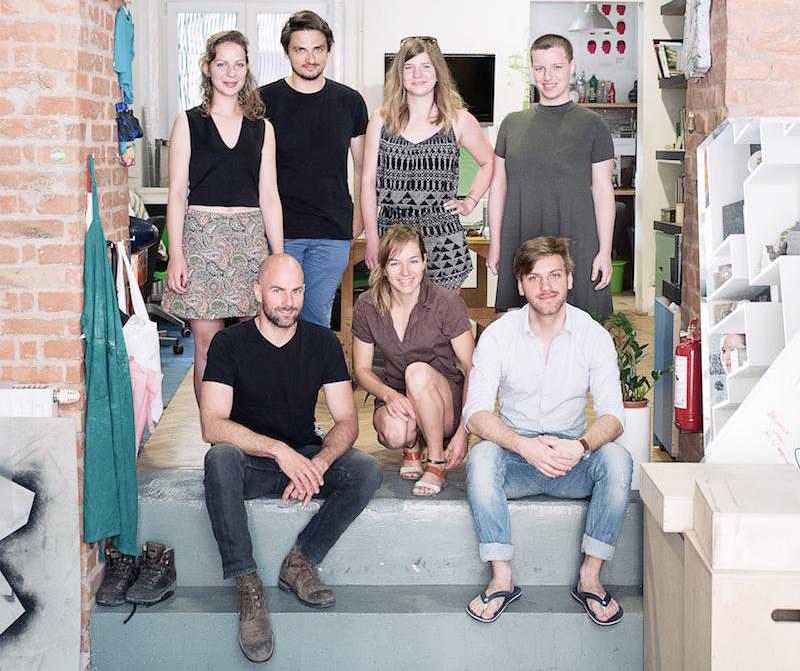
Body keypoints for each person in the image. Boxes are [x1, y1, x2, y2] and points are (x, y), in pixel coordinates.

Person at [201, 253, 382, 663]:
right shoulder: (229, 343)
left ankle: (301, 563)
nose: (288, 301)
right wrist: (277, 450)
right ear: (257, 292)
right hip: (254, 461)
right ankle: (248, 585)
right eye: (278, 291)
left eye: (296, 291)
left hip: (304, 459)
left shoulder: (322, 342)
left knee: (365, 469)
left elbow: (347, 420)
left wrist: (319, 463)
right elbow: (212, 425)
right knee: (219, 459)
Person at [463, 236, 632, 626]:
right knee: (482, 457)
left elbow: (613, 415)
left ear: (570, 279)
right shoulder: (499, 335)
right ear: (521, 286)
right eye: (534, 278)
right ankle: (501, 577)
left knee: (617, 460)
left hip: (572, 457)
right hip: (516, 457)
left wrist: (581, 446)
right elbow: (475, 414)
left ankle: (590, 577)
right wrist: (523, 446)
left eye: (555, 275)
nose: (546, 286)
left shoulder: (593, 335)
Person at [163, 30, 283, 403]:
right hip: (202, 240)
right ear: (207, 68)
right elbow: (177, 193)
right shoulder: (188, 123)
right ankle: (213, 428)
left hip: (249, 241)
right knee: (208, 346)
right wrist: (177, 254)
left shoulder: (263, 128)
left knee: (253, 342)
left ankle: (249, 423)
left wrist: (278, 257)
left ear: (247, 69)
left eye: (238, 64)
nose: (231, 73)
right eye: (222, 64)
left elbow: (269, 196)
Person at [488, 33, 616, 316]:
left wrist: (605, 250)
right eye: (540, 68)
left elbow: (603, 190)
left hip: (578, 244)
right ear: (532, 70)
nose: (548, 77)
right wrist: (496, 244)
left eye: (557, 67)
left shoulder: (594, 125)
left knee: (581, 329)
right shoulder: (512, 124)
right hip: (520, 239)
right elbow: (498, 186)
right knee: (516, 328)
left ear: (572, 67)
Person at [259, 11, 368, 327]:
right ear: (286, 52)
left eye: (318, 49)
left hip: (331, 232)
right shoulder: (264, 100)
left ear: (328, 51)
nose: (310, 58)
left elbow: (362, 169)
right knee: (277, 318)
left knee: (316, 318)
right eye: (300, 49)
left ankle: (310, 364)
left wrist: (357, 223)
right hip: (280, 231)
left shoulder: (349, 101)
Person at [361, 36, 494, 289]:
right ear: (399, 74)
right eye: (409, 67)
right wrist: (372, 239)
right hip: (393, 241)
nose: (417, 75)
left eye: (425, 66)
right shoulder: (381, 120)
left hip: (443, 244)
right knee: (394, 312)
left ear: (437, 73)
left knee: (441, 313)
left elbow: (489, 162)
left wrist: (470, 201)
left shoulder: (458, 120)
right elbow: (367, 182)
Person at [352, 223, 474, 496]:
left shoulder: (446, 303)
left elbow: (473, 368)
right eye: (395, 263)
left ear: (424, 262)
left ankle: (436, 462)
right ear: (384, 267)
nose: (405, 272)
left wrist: (464, 432)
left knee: (417, 372)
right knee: (394, 432)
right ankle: (412, 446)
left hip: (444, 403)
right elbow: (361, 368)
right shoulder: (367, 305)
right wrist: (389, 395)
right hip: (400, 398)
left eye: (413, 261)